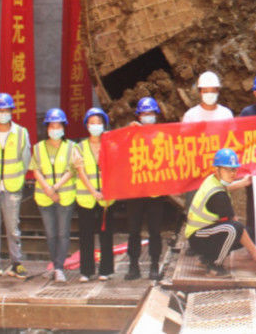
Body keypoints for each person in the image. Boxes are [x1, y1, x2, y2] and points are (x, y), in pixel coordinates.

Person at [185, 148, 256, 276]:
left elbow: (224, 186)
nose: (232, 173)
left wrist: (243, 183)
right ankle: (215, 266)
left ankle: (207, 258)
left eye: (234, 169)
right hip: (197, 238)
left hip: (203, 234)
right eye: (228, 169)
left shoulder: (212, 179)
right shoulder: (219, 197)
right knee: (235, 229)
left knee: (248, 233)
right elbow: (235, 224)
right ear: (217, 170)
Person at [0, 93, 32, 279]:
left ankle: (16, 263)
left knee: (12, 227)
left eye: (6, 110)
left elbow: (25, 160)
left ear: (11, 112)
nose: (3, 113)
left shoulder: (21, 133)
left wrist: (15, 179)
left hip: (12, 187)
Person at [31, 108, 79, 281]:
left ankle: (59, 268)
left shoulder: (72, 147)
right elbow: (35, 170)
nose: (55, 129)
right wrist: (48, 189)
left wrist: (56, 187)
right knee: (50, 233)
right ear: (47, 128)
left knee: (63, 233)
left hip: (65, 196)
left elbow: (72, 170)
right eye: (52, 126)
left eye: (58, 125)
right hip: (44, 198)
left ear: (63, 128)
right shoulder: (38, 148)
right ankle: (55, 264)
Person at [125, 97, 167, 280]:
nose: (147, 117)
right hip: (135, 191)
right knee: (133, 230)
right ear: (139, 116)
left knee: (154, 231)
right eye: (144, 114)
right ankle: (133, 265)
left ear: (156, 115)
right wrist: (129, 132)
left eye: (150, 114)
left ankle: (154, 265)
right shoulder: (131, 133)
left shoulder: (163, 135)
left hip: (155, 192)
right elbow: (120, 152)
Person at [74, 107, 115, 282]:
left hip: (107, 198)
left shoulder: (110, 144)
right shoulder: (80, 147)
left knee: (106, 234)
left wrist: (107, 189)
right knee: (86, 235)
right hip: (86, 198)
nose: (95, 126)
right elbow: (80, 171)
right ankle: (86, 270)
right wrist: (92, 190)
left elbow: (115, 168)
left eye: (99, 123)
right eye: (92, 123)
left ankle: (105, 270)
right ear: (87, 125)